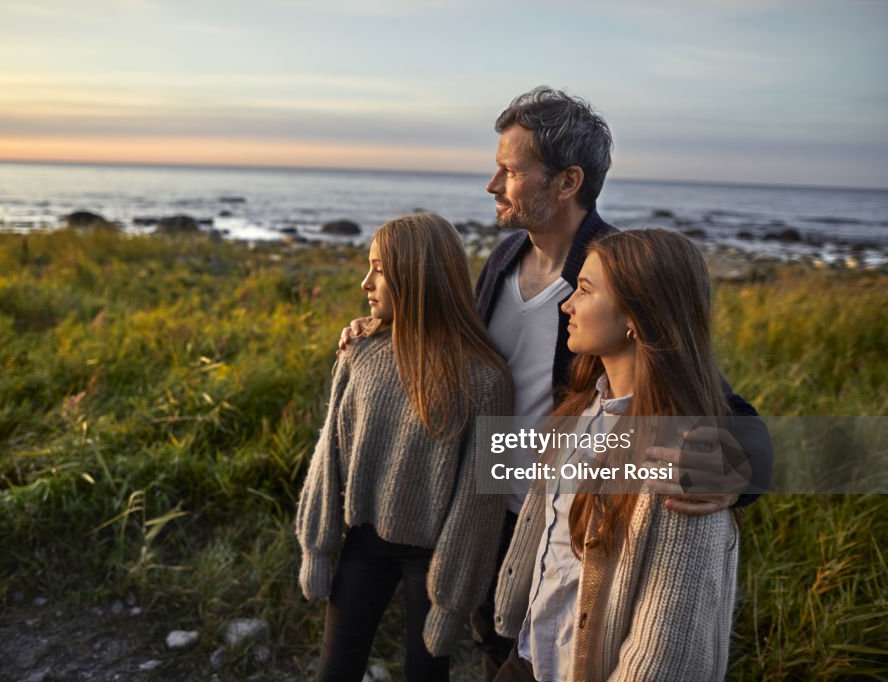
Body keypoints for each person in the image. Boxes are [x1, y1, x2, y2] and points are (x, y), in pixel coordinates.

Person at [341, 85, 772, 679]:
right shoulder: (504, 256)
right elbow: (454, 347)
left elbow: (699, 383)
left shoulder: (618, 274)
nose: (493, 186)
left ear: (567, 183)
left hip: (571, 516)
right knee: (503, 642)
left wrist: (742, 469)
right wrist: (383, 325)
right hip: (487, 504)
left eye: (511, 171)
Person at [493, 228, 741, 681]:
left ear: (637, 315)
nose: (565, 305)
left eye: (584, 291)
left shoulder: (681, 457)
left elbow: (661, 653)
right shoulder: (581, 408)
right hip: (528, 657)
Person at [297, 212, 513, 681]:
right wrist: (317, 547)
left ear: (418, 277)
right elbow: (327, 456)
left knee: (426, 674)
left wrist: (452, 601)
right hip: (364, 541)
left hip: (434, 558)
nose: (364, 282)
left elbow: (482, 500)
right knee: (334, 671)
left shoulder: (486, 379)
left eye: (379, 269)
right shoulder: (361, 353)